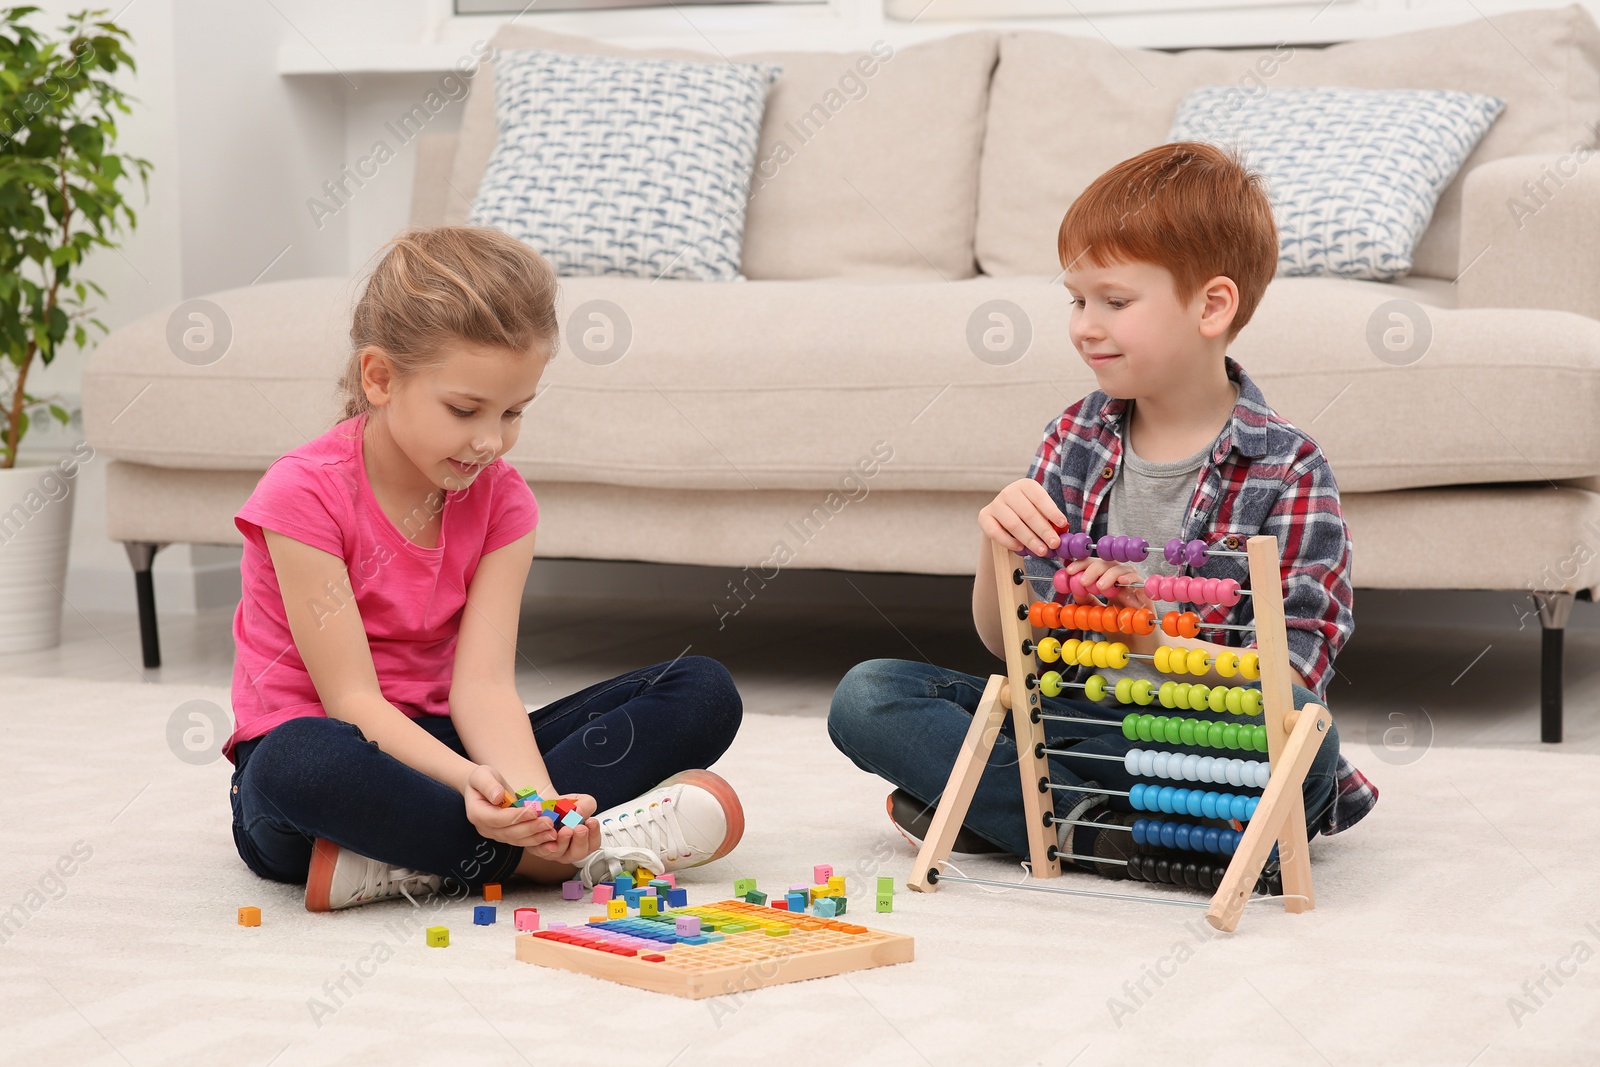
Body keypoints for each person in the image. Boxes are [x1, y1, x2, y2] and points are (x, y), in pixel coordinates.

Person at [829, 142, 1376, 883]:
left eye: (1115, 302)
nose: (1085, 325)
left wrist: (1152, 640)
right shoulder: (1074, 437)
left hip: (1215, 746)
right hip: (1074, 719)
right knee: (868, 695)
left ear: (1213, 305)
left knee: (1310, 750)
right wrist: (999, 549)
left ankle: (1022, 814)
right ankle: (1113, 833)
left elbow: (1294, 682)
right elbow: (1004, 644)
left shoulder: (1288, 471)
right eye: (1077, 300)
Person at [227, 226, 744, 911]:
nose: (489, 440)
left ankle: (446, 856)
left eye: (513, 413)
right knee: (301, 761)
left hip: (456, 747)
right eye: (465, 410)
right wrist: (477, 785)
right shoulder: (305, 493)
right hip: (333, 759)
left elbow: (484, 688)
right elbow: (352, 700)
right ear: (379, 377)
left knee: (702, 690)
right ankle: (542, 858)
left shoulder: (504, 499)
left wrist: (538, 803)